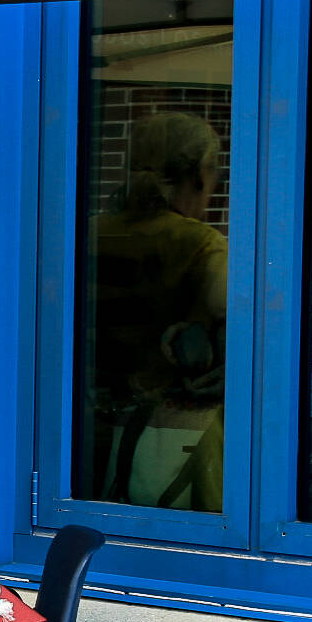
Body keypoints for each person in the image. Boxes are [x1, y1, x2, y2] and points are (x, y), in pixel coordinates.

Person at [85, 111, 228, 511]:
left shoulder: (88, 236)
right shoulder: (203, 246)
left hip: (86, 440)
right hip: (174, 445)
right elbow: (243, 336)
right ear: (201, 173)